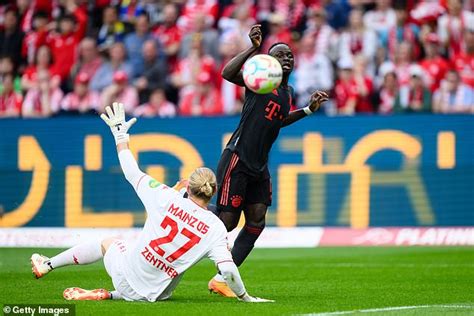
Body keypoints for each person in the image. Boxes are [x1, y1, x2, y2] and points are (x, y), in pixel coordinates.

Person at [30, 102, 272, 303]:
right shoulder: (217, 227)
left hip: (127, 276)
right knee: (154, 276)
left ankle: (47, 264)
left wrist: (120, 135)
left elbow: (131, 171)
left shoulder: (165, 196)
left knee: (109, 243)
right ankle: (109, 295)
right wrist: (246, 297)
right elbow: (228, 270)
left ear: (189, 186)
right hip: (159, 293)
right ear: (214, 192)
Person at [207, 24, 328, 297]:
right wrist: (253, 48)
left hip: (259, 165)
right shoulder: (260, 81)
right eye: (281, 55)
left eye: (290, 55)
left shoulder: (287, 92)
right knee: (226, 222)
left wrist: (308, 110)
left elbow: (278, 120)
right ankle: (188, 210)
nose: (287, 58)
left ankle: (222, 279)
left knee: (257, 220)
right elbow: (227, 73)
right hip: (238, 158)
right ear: (269, 61)